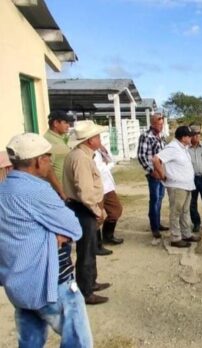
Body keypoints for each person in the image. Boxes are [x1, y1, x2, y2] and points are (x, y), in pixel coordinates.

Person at [0, 133, 92, 347]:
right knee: (78, 342)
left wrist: (48, 232)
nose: (50, 162)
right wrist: (54, 234)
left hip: (18, 282)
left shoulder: (3, 189)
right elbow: (73, 227)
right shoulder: (37, 190)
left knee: (30, 341)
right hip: (51, 282)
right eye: (48, 157)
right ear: (39, 160)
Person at [64, 121, 111, 305]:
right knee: (86, 250)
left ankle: (91, 282)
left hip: (82, 206)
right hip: (83, 208)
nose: (99, 139)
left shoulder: (81, 155)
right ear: (90, 140)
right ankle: (86, 290)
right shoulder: (81, 158)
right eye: (97, 136)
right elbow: (84, 191)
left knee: (89, 248)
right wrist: (97, 210)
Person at [153, 126, 200, 248]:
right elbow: (156, 159)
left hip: (186, 185)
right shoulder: (173, 148)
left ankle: (186, 234)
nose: (192, 137)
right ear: (183, 137)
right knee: (176, 212)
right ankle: (175, 237)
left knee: (185, 211)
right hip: (177, 186)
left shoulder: (183, 147)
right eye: (190, 136)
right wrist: (162, 175)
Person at [137, 113, 169, 245]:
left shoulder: (162, 136)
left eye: (162, 124)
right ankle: (154, 227)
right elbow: (141, 156)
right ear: (152, 123)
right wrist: (151, 171)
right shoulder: (146, 136)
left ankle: (157, 223)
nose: (160, 126)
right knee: (155, 199)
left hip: (162, 173)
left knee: (160, 198)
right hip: (153, 174)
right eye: (158, 123)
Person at [94, 144, 124, 257]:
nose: (99, 139)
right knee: (97, 215)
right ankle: (96, 244)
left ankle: (108, 236)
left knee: (116, 210)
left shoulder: (100, 149)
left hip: (107, 185)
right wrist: (106, 165)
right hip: (96, 187)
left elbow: (111, 161)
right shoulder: (85, 153)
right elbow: (96, 169)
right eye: (96, 137)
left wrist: (106, 160)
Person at [43, 110, 74, 200]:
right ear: (56, 123)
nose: (68, 126)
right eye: (65, 123)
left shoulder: (58, 138)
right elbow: (48, 169)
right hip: (57, 191)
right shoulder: (49, 141)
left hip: (64, 188)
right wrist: (61, 192)